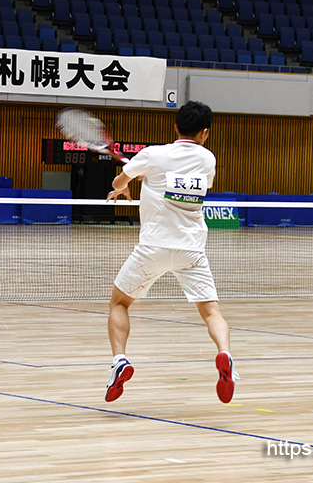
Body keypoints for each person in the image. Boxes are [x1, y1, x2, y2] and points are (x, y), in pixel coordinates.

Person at [104, 100, 238, 403]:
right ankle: (225, 353)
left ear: (175, 127)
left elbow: (118, 181)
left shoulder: (153, 154)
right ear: (205, 132)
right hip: (192, 250)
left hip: (153, 248)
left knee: (119, 303)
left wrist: (126, 183)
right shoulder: (208, 159)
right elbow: (186, 185)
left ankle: (120, 361)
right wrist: (150, 177)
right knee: (212, 312)